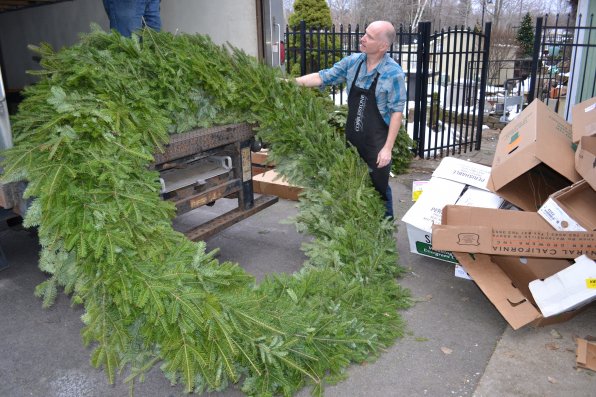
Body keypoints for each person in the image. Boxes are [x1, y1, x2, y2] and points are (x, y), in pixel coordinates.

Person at [295, 21, 406, 219]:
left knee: (379, 190)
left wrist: (387, 148)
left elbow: (397, 112)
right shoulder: (353, 62)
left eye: (369, 37)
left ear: (382, 46)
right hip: (353, 139)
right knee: (353, 185)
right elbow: (323, 77)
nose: (362, 38)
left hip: (376, 144)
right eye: (365, 33)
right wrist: (292, 83)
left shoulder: (393, 73)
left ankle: (385, 234)